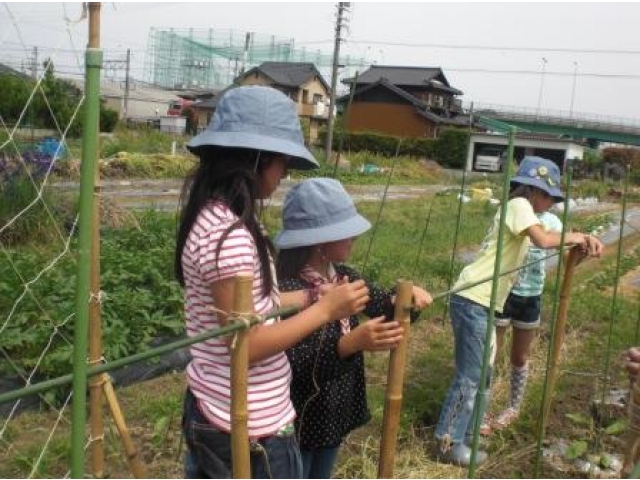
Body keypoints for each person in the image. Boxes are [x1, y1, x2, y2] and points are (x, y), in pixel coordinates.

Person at [176, 86, 371, 479]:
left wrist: (312, 294)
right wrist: (325, 310)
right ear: (257, 160)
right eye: (282, 162)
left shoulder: (214, 218)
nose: (283, 174)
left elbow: (252, 308)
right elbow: (245, 344)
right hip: (248, 424)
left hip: (221, 407)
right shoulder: (228, 235)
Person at [434, 156, 604, 467]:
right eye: (549, 196)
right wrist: (578, 235)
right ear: (534, 190)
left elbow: (548, 243)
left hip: (482, 301)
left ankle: (465, 433)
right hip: (474, 298)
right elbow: (543, 239)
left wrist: (577, 244)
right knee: (470, 377)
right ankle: (447, 442)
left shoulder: (523, 212)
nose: (551, 203)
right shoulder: (519, 206)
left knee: (482, 373)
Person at [274, 177, 433, 479]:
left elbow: (385, 309)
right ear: (320, 242)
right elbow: (291, 361)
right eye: (345, 232)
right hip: (301, 412)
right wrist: (350, 344)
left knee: (324, 470)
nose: (354, 237)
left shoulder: (345, 278)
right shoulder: (288, 291)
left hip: (336, 407)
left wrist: (405, 302)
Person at [480, 210, 563, 435]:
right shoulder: (512, 211)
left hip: (531, 296)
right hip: (503, 293)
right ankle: (481, 411)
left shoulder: (552, 221)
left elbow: (563, 246)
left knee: (520, 355)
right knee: (490, 354)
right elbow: (487, 246)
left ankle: (513, 407)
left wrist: (581, 243)